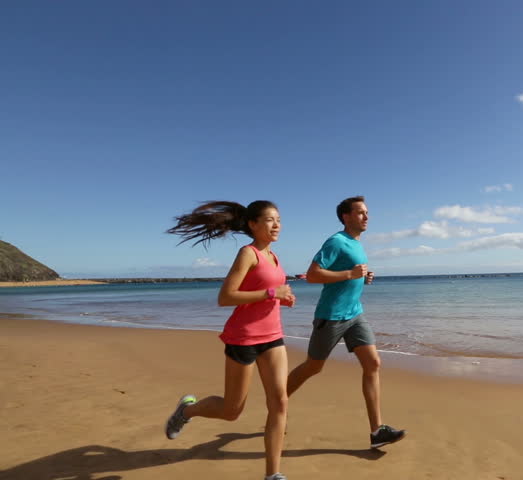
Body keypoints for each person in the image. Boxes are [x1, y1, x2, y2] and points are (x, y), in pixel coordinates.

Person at [163, 200, 295, 480]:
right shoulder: (247, 254)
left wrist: (282, 299)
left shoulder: (274, 257)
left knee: (280, 402)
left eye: (279, 220)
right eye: (270, 220)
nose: (277, 225)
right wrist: (272, 295)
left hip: (273, 336)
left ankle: (273, 474)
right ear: (252, 224)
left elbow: (266, 292)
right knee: (231, 410)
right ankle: (187, 410)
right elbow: (226, 297)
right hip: (244, 337)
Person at [287, 196, 406, 449]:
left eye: (367, 212)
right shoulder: (336, 241)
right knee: (313, 367)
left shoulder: (357, 243)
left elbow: (351, 274)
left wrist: (363, 277)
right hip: (330, 317)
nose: (367, 217)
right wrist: (350, 274)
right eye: (361, 212)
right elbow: (312, 274)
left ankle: (377, 431)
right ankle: (278, 403)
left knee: (373, 363)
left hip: (355, 314)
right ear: (346, 217)